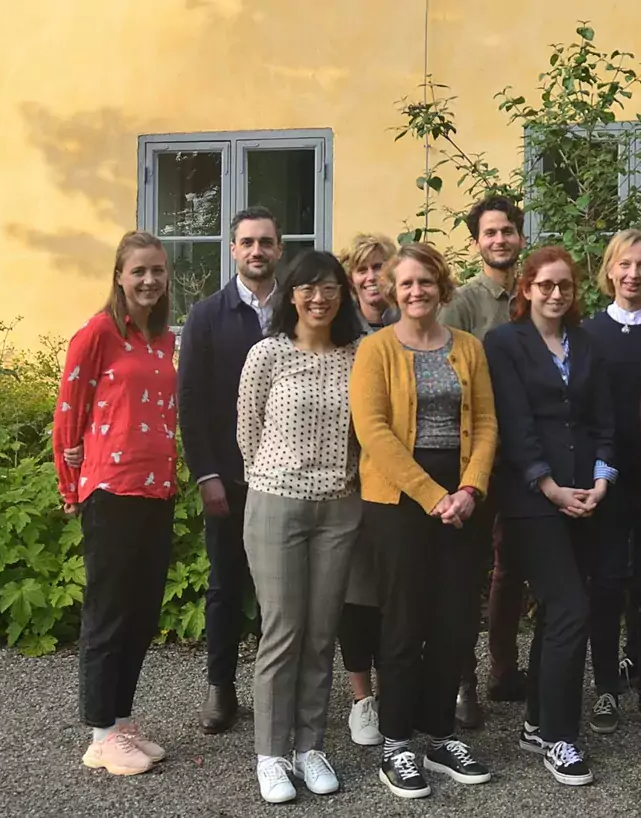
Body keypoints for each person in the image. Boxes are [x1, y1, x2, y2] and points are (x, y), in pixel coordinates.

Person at [351, 242, 499, 799]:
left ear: (442, 287)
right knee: (404, 620)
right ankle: (395, 744)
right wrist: (433, 494)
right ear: (393, 290)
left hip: (462, 501)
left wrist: (470, 488)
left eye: (426, 282)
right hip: (398, 502)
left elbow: (486, 423)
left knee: (455, 621)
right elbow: (374, 432)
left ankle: (439, 735)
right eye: (406, 283)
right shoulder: (376, 350)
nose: (416, 292)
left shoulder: (468, 348)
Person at [237, 251, 365, 803]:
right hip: (277, 504)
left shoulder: (360, 355)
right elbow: (248, 430)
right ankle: (271, 755)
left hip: (341, 506)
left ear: (344, 295)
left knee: (320, 634)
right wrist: (277, 476)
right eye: (309, 288)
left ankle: (310, 746)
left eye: (331, 287)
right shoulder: (267, 354)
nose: (320, 297)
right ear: (291, 294)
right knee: (283, 630)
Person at [485, 246, 614, 787]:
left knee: (558, 615)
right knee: (569, 607)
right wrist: (550, 486)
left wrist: (602, 480)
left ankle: (538, 721)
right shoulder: (504, 342)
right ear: (527, 288)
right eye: (545, 285)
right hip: (529, 499)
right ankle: (562, 739)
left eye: (565, 286)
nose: (556, 294)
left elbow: (604, 420)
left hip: (587, 494)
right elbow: (514, 424)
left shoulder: (586, 343)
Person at [53, 231, 177, 777]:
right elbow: (67, 414)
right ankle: (101, 734)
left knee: (142, 611)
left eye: (157, 271)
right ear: (119, 277)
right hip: (110, 489)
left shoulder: (165, 340)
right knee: (109, 612)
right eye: (138, 272)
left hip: (157, 488)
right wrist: (70, 485)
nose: (148, 280)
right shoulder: (98, 334)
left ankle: (122, 721)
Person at [177, 206, 282, 734]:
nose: (257, 250)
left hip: (286, 477)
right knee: (225, 584)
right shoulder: (206, 316)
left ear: (279, 249)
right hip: (228, 477)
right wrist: (206, 474)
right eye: (247, 242)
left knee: (278, 589)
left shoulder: (297, 311)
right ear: (233, 250)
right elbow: (190, 403)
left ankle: (275, 689)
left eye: (266, 241)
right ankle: (221, 689)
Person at [439, 195, 529, 727]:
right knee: (468, 570)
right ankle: (462, 681)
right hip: (472, 452)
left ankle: (504, 669)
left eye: (508, 231)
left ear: (520, 236)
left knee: (513, 566)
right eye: (490, 233)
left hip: (523, 453)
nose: (500, 240)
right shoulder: (465, 303)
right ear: (477, 242)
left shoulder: (535, 292)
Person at [580, 230, 641, 736]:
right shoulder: (590, 333)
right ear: (609, 270)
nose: (633, 274)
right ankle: (607, 689)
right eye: (624, 264)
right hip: (607, 476)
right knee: (607, 583)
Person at [336, 231, 399, 747]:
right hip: (348, 481)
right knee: (356, 596)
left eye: (382, 267)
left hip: (402, 481)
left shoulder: (410, 327)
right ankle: (362, 700)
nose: (373, 277)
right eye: (363, 269)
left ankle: (399, 690)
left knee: (396, 592)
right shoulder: (338, 332)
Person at [342, 232, 401, 330]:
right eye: (362, 270)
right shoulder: (342, 327)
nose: (371, 277)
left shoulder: (410, 320)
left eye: (378, 267)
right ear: (351, 279)